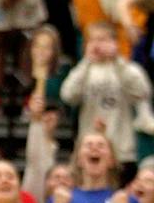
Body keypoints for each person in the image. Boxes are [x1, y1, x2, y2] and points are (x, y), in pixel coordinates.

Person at [60, 21, 152, 184]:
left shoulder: (127, 68)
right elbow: (68, 95)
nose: (97, 45)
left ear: (114, 42)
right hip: (89, 150)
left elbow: (142, 91)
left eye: (102, 39)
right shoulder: (84, 70)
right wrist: (86, 61)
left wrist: (117, 60)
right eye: (92, 40)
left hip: (122, 151)